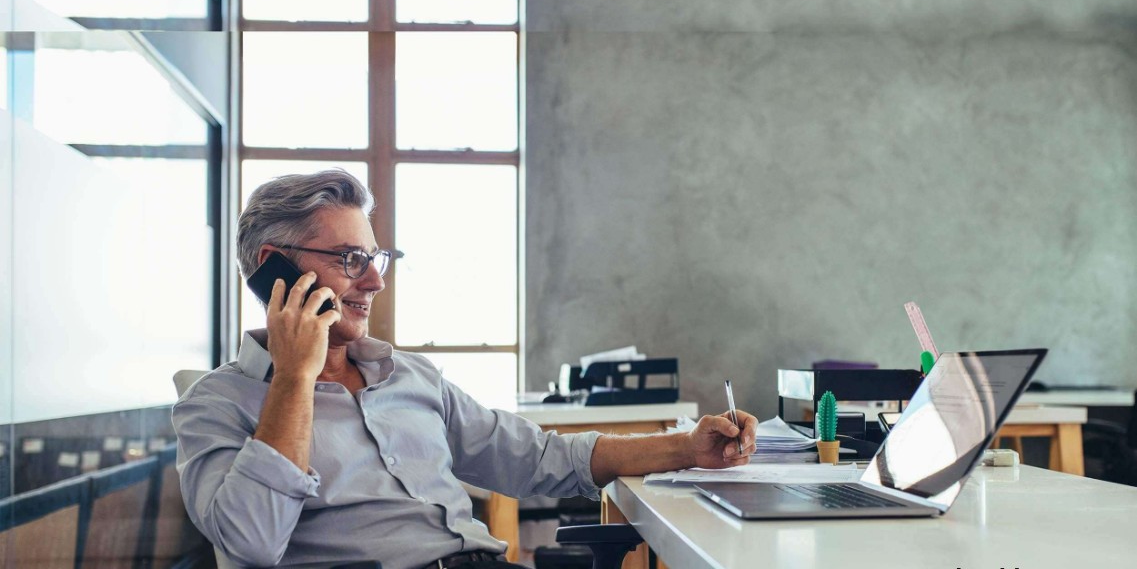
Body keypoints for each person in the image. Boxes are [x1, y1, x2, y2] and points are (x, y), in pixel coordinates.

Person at [172, 169, 758, 569]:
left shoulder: (409, 377)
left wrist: (689, 447)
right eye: (351, 260)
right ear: (274, 271)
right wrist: (297, 377)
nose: (374, 281)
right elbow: (251, 541)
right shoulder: (216, 404)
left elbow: (543, 459)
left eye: (375, 259)